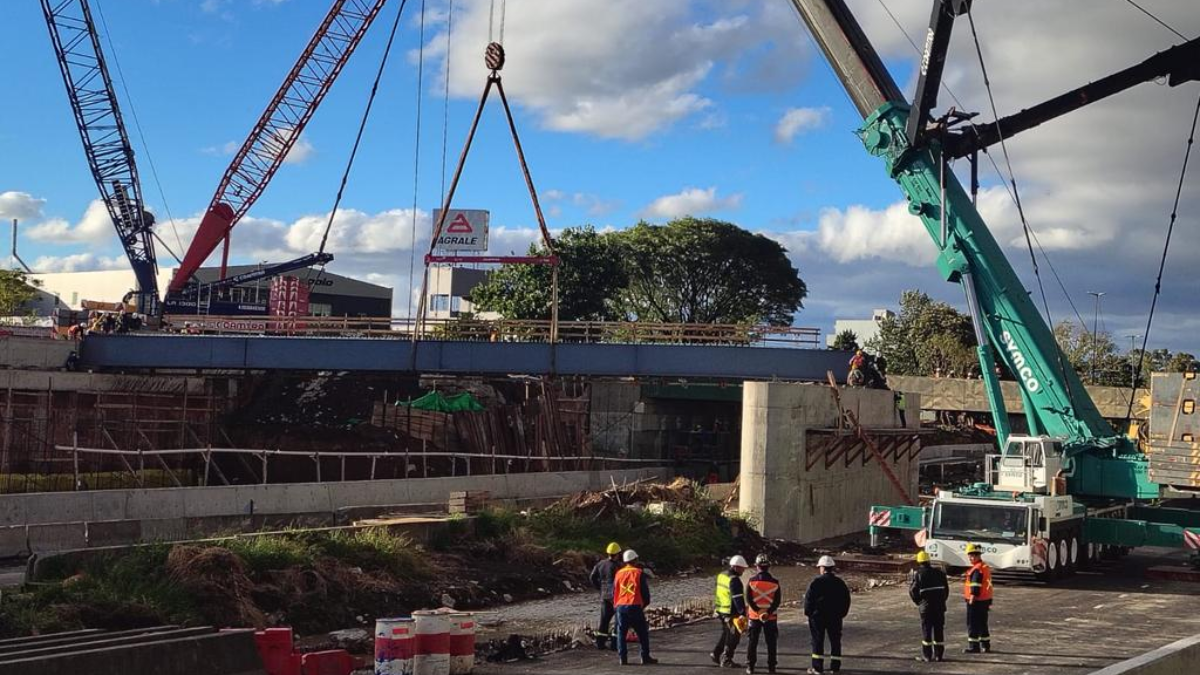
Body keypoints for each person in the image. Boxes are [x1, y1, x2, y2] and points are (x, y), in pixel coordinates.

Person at [803, 555, 850, 674]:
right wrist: (842, 614)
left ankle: (817, 668)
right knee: (835, 641)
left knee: (817, 641)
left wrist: (809, 613)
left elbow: (809, 600)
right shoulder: (840, 583)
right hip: (835, 617)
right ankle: (835, 667)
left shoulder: (816, 582)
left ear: (822, 568)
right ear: (832, 568)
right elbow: (846, 600)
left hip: (818, 617)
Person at [614, 549, 657, 665]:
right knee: (642, 633)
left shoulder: (618, 573)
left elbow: (616, 591)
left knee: (621, 634)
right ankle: (645, 656)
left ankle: (623, 658)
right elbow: (645, 592)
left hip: (621, 606)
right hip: (635, 605)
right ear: (635, 560)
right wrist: (644, 604)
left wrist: (616, 606)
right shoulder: (638, 573)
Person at [908, 550, 949, 662]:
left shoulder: (919, 575)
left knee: (927, 631)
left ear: (919, 562)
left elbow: (912, 591)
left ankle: (927, 656)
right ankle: (938, 655)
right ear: (929, 561)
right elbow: (946, 591)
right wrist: (941, 601)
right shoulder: (940, 573)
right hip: (939, 607)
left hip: (926, 608)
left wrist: (919, 602)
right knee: (938, 630)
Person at [745, 554, 781, 675]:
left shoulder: (751, 582)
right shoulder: (775, 582)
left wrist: (758, 611)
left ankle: (750, 666)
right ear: (768, 567)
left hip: (754, 616)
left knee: (752, 642)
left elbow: (749, 599)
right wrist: (767, 612)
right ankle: (772, 667)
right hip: (770, 617)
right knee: (771, 643)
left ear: (757, 566)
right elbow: (777, 601)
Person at [712, 554, 749, 667]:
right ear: (736, 567)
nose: (743, 570)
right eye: (742, 568)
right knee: (734, 636)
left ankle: (716, 653)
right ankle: (726, 659)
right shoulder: (734, 580)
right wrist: (743, 614)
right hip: (731, 612)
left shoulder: (721, 576)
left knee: (726, 633)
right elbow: (737, 598)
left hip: (721, 610)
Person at [590, 542, 623, 650]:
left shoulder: (600, 564)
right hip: (616, 597)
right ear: (618, 554)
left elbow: (592, 577)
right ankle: (614, 644)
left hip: (604, 596)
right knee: (619, 620)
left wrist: (600, 588)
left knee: (604, 621)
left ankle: (600, 643)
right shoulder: (617, 566)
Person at [962, 543, 993, 653]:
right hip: (985, 600)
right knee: (982, 623)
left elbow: (975, 586)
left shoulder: (977, 569)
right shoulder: (984, 567)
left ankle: (973, 646)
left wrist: (971, 598)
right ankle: (985, 645)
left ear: (975, 556)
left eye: (970, 556)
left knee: (972, 623)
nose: (969, 558)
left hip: (976, 601)